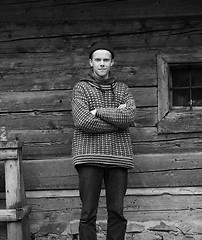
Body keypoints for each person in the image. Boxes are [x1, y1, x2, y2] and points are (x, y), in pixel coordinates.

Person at [71, 42, 136, 240]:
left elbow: (129, 116)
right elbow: (83, 121)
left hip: (119, 157)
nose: (102, 64)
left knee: (116, 212)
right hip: (89, 157)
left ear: (112, 62)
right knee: (87, 213)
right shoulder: (81, 88)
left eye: (105, 60)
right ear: (90, 62)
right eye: (97, 60)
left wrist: (98, 111)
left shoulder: (123, 89)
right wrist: (117, 122)